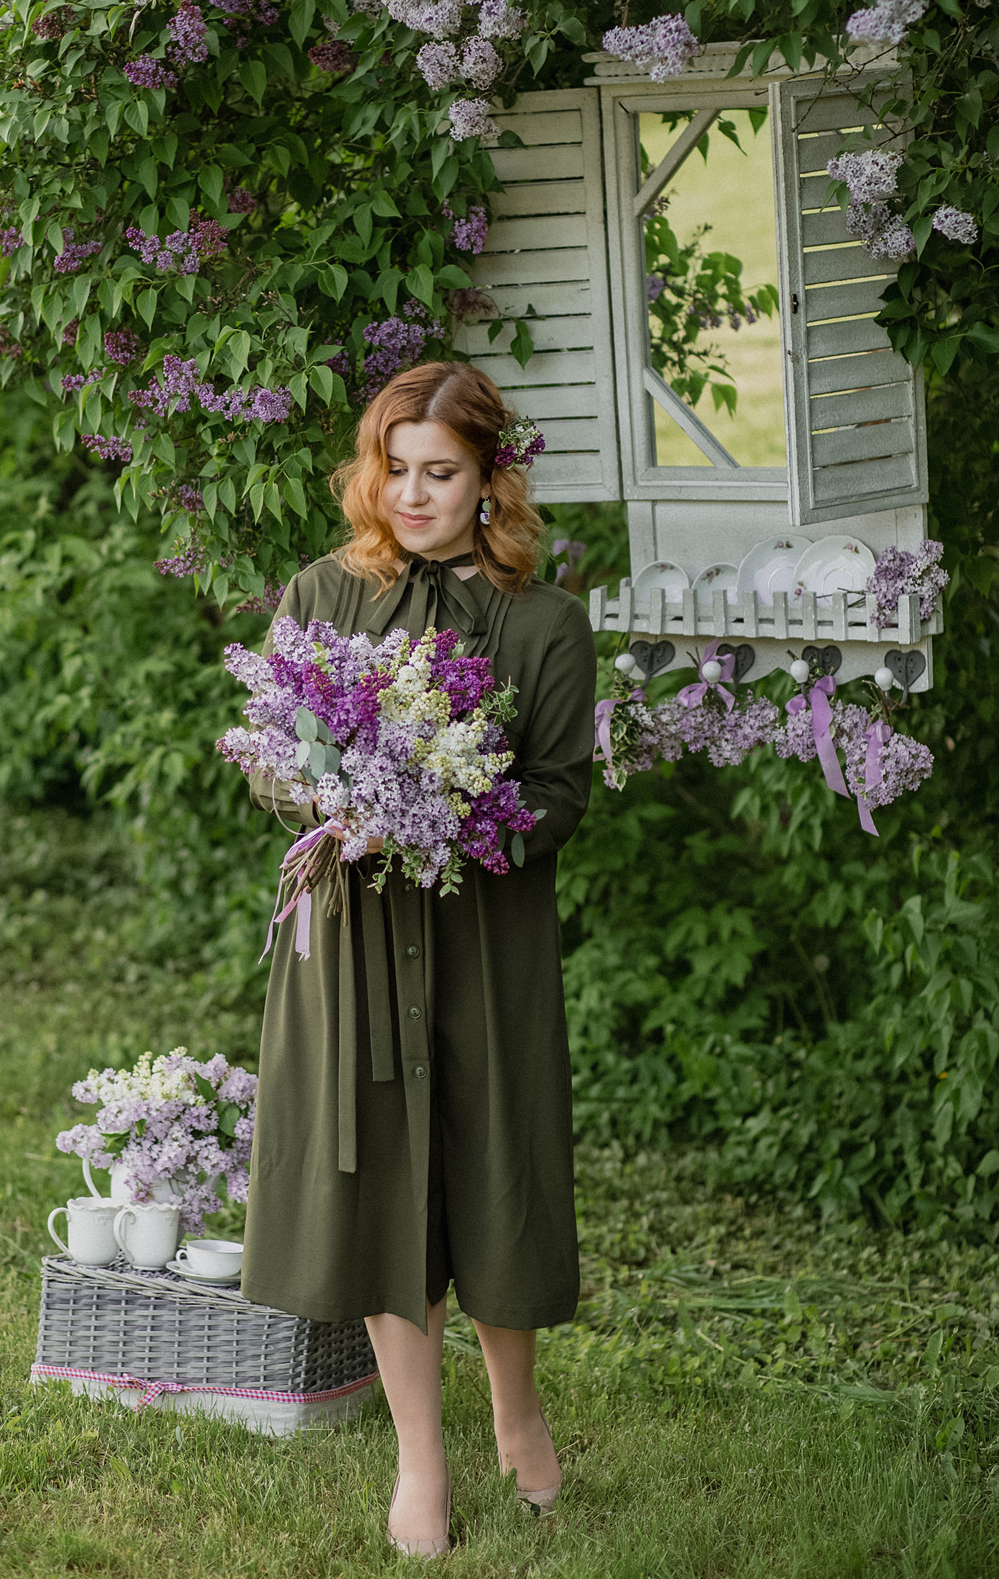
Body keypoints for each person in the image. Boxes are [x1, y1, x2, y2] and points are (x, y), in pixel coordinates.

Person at [240, 362, 597, 1556]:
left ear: (491, 476)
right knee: (388, 1181)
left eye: (437, 473)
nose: (408, 494)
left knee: (490, 1170)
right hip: (348, 942)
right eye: (391, 469)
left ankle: (517, 1413)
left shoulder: (543, 623)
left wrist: (449, 813)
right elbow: (262, 758)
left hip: (481, 943)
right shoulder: (320, 592)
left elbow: (556, 796)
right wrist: (326, 791)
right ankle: (419, 1465)